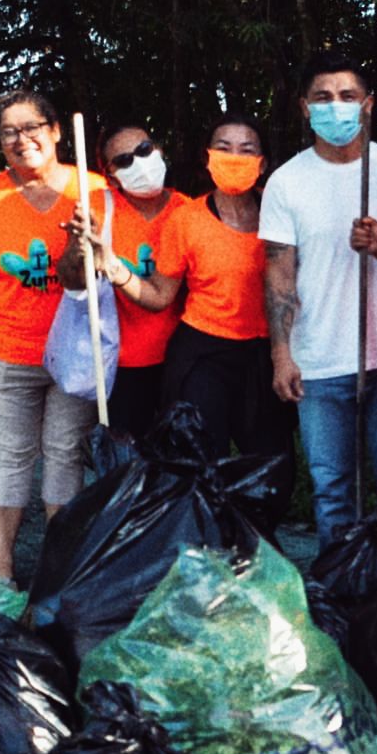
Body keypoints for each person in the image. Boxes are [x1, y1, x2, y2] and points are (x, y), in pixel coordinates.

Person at [261, 51, 377, 547]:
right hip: (319, 361)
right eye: (324, 98)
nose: (337, 107)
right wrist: (281, 353)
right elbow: (279, 272)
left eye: (348, 97)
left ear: (368, 104)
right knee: (333, 490)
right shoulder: (286, 181)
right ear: (305, 109)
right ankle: (340, 592)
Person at [0, 90, 104, 581]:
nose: (22, 139)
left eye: (32, 126)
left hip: (74, 350)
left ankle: (59, 563)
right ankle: (3, 562)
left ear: (56, 130)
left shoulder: (94, 191)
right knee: (12, 452)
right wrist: (6, 292)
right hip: (7, 348)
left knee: (63, 452)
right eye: (9, 131)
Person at [135, 113, 296, 504]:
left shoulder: (281, 214)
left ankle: (257, 553)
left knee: (274, 468)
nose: (234, 157)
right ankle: (207, 554)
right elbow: (160, 296)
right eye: (223, 148)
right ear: (208, 157)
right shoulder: (186, 219)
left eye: (246, 149)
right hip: (203, 353)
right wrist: (113, 270)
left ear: (263, 162)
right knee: (200, 462)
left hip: (267, 353)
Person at [60, 123, 190, 438]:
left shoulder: (187, 209)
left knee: (180, 456)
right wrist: (78, 250)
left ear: (158, 148)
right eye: (124, 160)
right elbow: (71, 281)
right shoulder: (97, 209)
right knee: (130, 461)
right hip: (121, 360)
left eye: (144, 150)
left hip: (182, 356)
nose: (139, 163)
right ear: (111, 174)